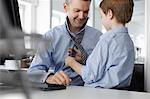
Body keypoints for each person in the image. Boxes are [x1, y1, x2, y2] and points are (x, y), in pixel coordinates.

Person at [28, 0, 102, 86]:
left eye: (85, 11)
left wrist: (85, 60)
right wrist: (49, 78)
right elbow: (32, 72)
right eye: (77, 11)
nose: (81, 16)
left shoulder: (99, 38)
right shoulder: (51, 37)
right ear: (66, 7)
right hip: (60, 90)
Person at [65, 0, 135, 88]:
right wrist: (84, 58)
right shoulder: (128, 42)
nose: (102, 21)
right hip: (121, 92)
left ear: (110, 14)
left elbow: (90, 75)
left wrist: (71, 62)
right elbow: (108, 66)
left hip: (99, 93)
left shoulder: (106, 40)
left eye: (101, 16)